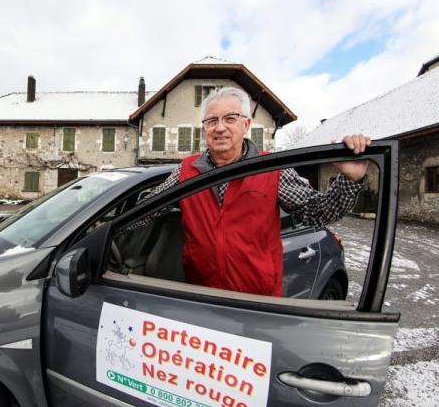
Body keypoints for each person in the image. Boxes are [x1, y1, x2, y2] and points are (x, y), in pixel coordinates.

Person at [143, 87, 370, 297]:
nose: (220, 127)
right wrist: (108, 228)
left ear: (246, 124)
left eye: (230, 118)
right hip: (202, 295)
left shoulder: (271, 169)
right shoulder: (185, 171)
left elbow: (319, 212)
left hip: (256, 301)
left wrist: (351, 179)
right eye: (212, 120)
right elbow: (147, 209)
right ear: (204, 128)